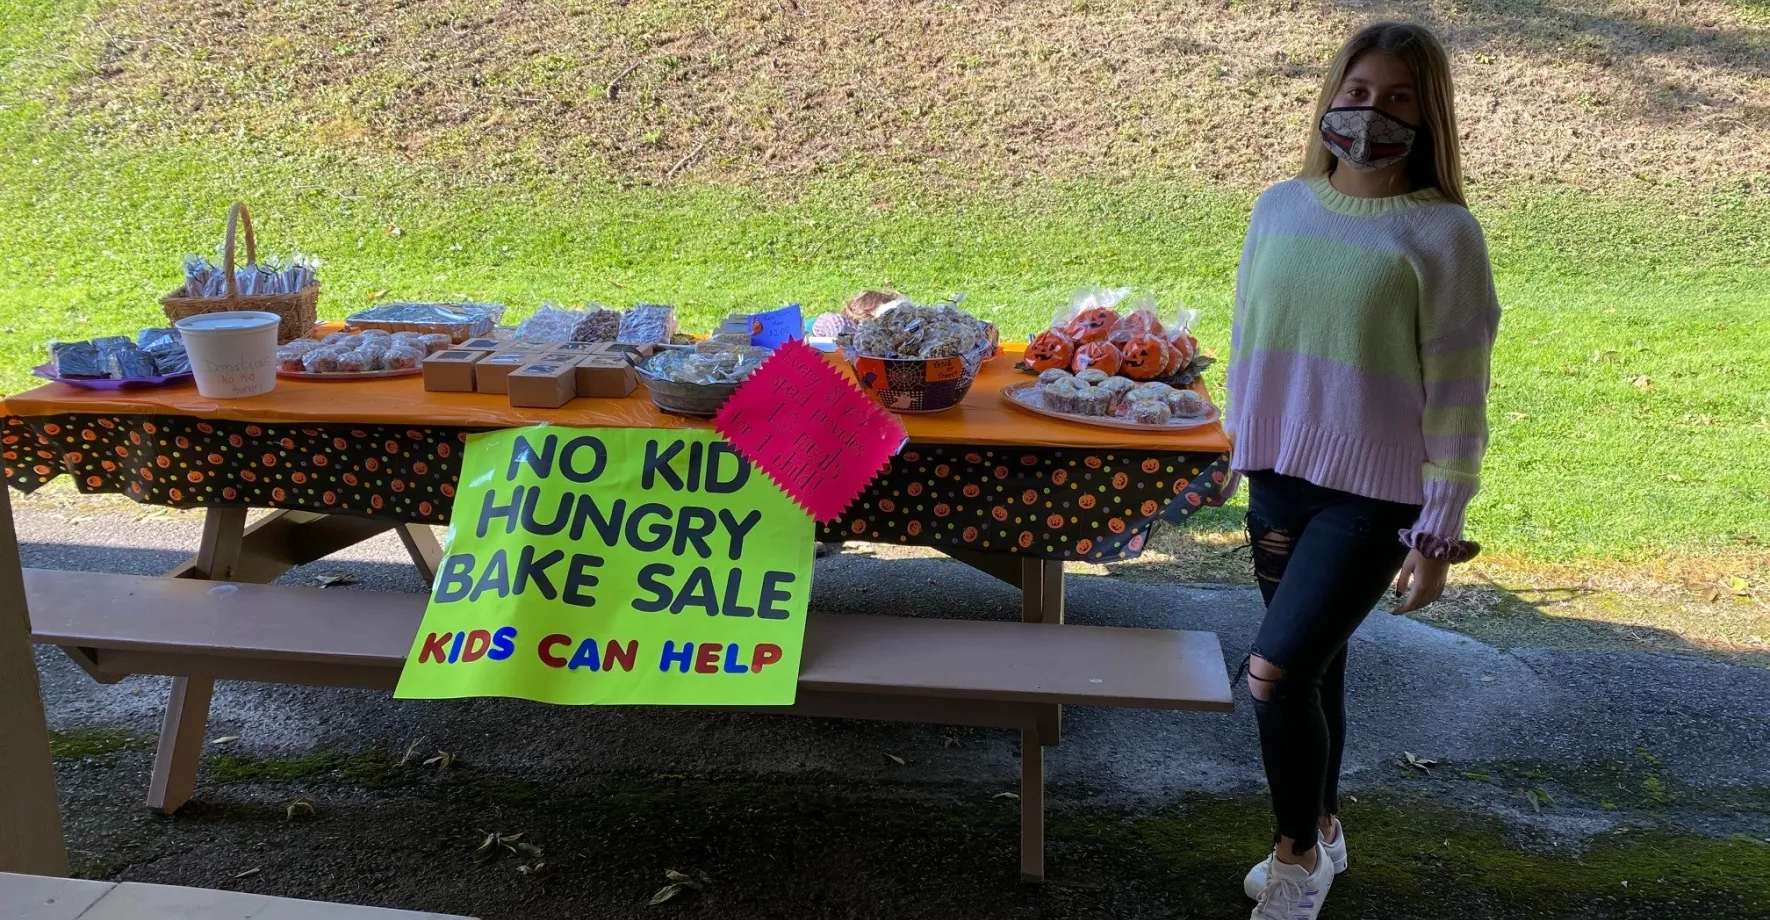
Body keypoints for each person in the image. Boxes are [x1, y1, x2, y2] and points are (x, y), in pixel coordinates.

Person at [1223, 21, 1501, 920]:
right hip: (1279, 479)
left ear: (1431, 119)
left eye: (1398, 99)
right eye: (1358, 91)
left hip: (1374, 498)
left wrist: (1437, 532)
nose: (1370, 113)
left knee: (1271, 674)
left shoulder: (1444, 236)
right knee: (1313, 668)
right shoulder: (1280, 206)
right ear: (1331, 95)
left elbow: (1459, 392)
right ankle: (1327, 824)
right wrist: (1234, 449)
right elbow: (1252, 342)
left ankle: (1296, 857)